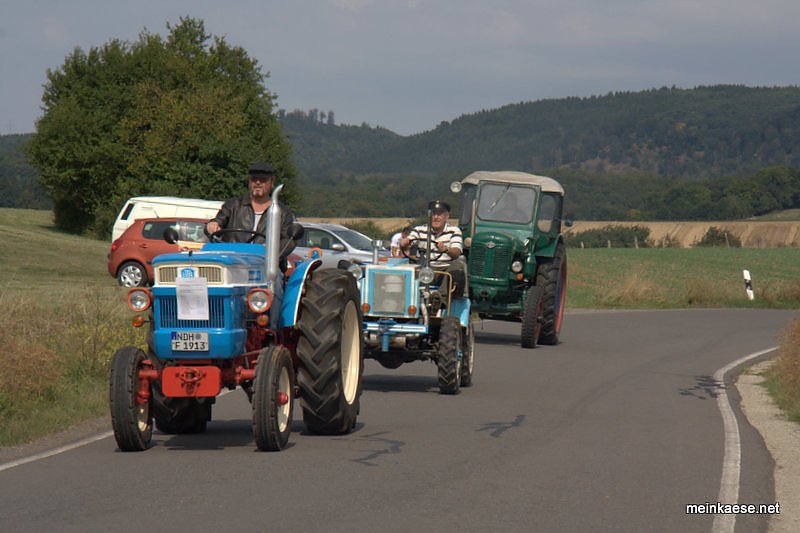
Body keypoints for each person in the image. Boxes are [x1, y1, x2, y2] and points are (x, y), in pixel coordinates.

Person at [206, 162, 296, 256]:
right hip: (233, 262)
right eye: (254, 179)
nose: (258, 183)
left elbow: (288, 241)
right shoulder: (233, 205)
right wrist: (212, 225)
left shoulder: (283, 213)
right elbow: (218, 221)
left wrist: (270, 253)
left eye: (263, 180)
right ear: (249, 182)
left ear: (272, 182)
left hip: (265, 265)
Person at [400, 201, 466, 295]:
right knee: (404, 269)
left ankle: (439, 298)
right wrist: (405, 242)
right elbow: (409, 240)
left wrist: (446, 249)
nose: (436, 217)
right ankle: (407, 299)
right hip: (423, 269)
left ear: (446, 216)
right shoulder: (419, 230)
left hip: (444, 270)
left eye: (439, 214)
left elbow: (456, 252)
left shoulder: (454, 231)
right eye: (433, 214)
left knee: (459, 263)